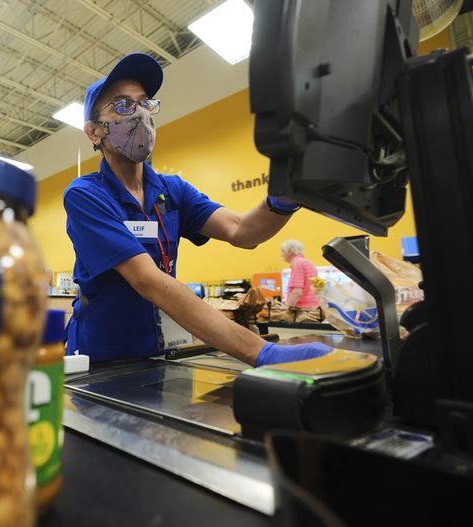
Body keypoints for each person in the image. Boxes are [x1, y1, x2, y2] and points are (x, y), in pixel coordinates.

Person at [63, 53, 331, 366]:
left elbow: (242, 231)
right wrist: (259, 350)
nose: (140, 114)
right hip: (102, 361)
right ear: (95, 132)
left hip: (160, 354)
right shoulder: (85, 195)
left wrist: (283, 197)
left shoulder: (171, 190)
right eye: (122, 105)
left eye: (145, 103)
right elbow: (147, 280)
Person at [279, 240, 323, 322]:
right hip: (314, 309)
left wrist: (287, 310)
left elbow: (297, 292)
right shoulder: (308, 262)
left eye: (283, 251)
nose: (281, 255)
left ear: (290, 251)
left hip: (303, 311)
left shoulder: (297, 264)